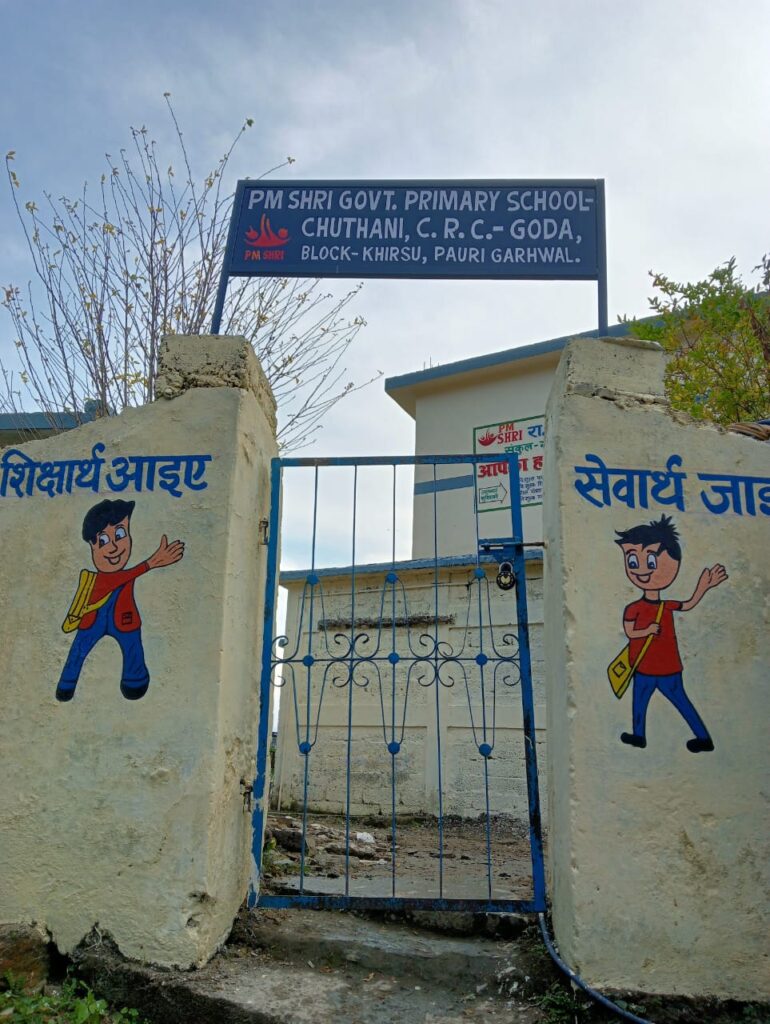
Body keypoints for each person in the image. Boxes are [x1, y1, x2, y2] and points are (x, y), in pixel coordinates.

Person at [614, 514, 727, 752]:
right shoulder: (633, 608)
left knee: (681, 702)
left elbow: (688, 604)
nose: (641, 569)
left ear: (674, 564)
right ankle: (638, 735)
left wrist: (704, 587)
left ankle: (703, 737)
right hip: (642, 666)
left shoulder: (666, 606)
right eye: (632, 560)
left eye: (651, 561)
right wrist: (647, 630)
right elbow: (630, 632)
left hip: (668, 668)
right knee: (639, 703)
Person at [56, 499, 184, 702]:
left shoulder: (124, 575)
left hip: (124, 616)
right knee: (78, 650)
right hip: (93, 617)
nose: (113, 547)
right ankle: (66, 684)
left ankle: (135, 681)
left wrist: (151, 563)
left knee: (133, 648)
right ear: (92, 546)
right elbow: (116, 579)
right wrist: (149, 564)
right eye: (103, 540)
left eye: (120, 535)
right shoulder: (101, 579)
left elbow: (122, 577)